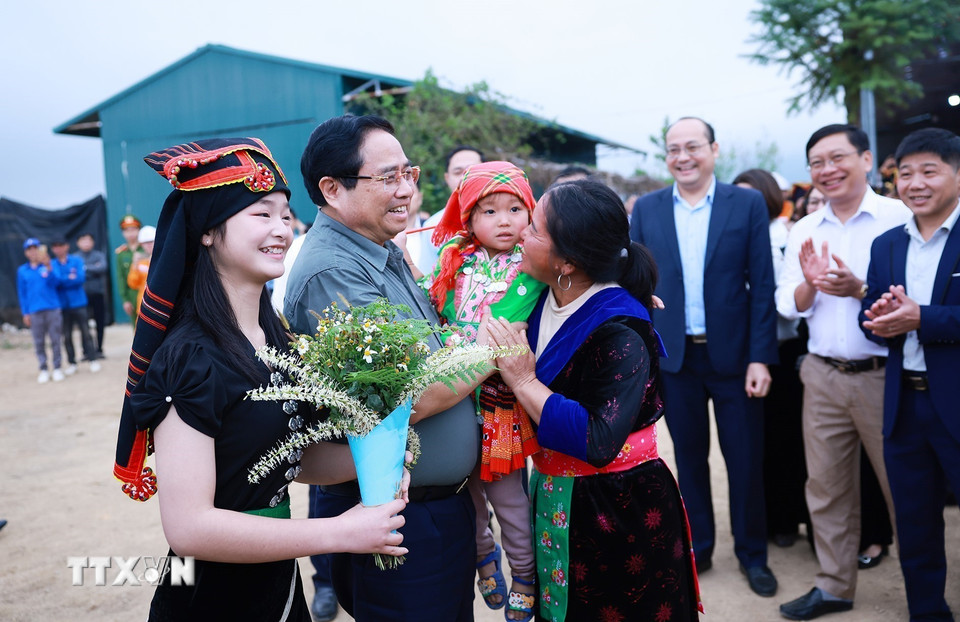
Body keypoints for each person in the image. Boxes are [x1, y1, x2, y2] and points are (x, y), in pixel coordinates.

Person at [112, 137, 409, 621]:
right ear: (207, 232)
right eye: (261, 214)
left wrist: (382, 462)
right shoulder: (190, 357)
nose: (281, 229)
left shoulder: (276, 339)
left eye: (285, 215)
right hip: (211, 600)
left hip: (277, 585)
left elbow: (289, 457)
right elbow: (188, 529)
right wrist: (339, 532)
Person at [286, 115, 493, 621]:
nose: (406, 190)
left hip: (433, 509)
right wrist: (493, 351)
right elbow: (406, 396)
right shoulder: (334, 272)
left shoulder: (379, 248)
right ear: (332, 190)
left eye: (408, 173)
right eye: (387, 177)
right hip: (398, 517)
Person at [487, 179, 702, 621]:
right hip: (553, 491)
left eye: (535, 229)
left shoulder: (620, 330)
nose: (521, 232)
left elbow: (598, 439)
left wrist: (524, 380)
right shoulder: (540, 295)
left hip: (615, 507)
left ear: (567, 261)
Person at [629, 117, 779, 597]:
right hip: (675, 360)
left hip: (735, 359)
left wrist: (760, 358)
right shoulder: (647, 208)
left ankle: (753, 555)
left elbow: (763, 285)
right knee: (689, 460)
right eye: (673, 149)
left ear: (714, 150)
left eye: (692, 146)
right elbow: (634, 284)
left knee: (745, 461)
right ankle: (700, 549)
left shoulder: (746, 203)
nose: (683, 157)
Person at [776, 124, 911, 621]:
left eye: (837, 158)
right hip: (822, 374)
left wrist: (858, 289)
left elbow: (916, 299)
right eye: (817, 162)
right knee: (826, 487)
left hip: (884, 374)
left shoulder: (900, 218)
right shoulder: (805, 228)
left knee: (903, 486)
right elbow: (787, 304)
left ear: (866, 159)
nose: (827, 170)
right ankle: (834, 586)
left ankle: (924, 592)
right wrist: (811, 285)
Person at [424, 161, 544, 620]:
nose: (504, 221)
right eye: (489, 211)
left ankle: (525, 573)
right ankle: (483, 559)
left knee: (509, 501)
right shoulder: (454, 259)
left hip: (500, 403)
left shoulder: (534, 262)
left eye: (515, 209)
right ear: (469, 217)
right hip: (454, 402)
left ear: (530, 212)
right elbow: (433, 304)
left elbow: (507, 320)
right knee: (468, 495)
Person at [860, 127, 960, 622]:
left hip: (956, 400)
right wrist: (879, 320)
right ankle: (927, 612)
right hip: (903, 404)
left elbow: (925, 316)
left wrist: (923, 317)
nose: (915, 183)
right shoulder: (886, 245)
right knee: (916, 523)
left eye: (929, 171)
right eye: (905, 173)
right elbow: (869, 315)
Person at [732, 168, 810, 549]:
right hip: (744, 354)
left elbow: (784, 302)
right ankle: (761, 521)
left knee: (785, 439)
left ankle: (786, 520)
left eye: (751, 196)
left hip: (782, 350)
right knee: (752, 445)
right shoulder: (733, 238)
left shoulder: (784, 238)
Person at [417, 146, 486, 275]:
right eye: (457, 172)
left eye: (471, 170)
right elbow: (427, 277)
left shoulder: (508, 216)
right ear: (447, 178)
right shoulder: (433, 227)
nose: (464, 177)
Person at [17, 238, 64, 383]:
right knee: (38, 341)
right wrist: (25, 312)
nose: (33, 252)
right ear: (25, 252)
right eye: (29, 249)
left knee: (55, 339)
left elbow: (57, 283)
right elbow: (22, 293)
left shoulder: (51, 264)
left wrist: (48, 266)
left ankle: (57, 368)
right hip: (34, 311)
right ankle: (43, 368)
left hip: (52, 308)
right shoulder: (22, 270)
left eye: (35, 249)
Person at [51, 238, 101, 374]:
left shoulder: (76, 260)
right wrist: (68, 278)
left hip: (79, 303)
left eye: (60, 245)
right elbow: (55, 281)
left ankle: (92, 359)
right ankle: (72, 363)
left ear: (66, 246)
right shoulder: (52, 263)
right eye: (55, 246)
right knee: (67, 335)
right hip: (62, 305)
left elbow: (80, 278)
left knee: (86, 332)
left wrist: (64, 279)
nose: (58, 249)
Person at [76, 232, 108, 356]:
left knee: (100, 322)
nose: (86, 243)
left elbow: (102, 268)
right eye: (83, 240)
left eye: (88, 240)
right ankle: (87, 351)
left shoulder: (99, 255)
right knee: (83, 324)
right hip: (81, 296)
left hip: (97, 294)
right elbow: (75, 273)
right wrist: (93, 268)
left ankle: (99, 349)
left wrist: (84, 268)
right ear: (78, 243)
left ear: (93, 242)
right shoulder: (75, 257)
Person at [115, 214, 142, 326]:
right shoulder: (121, 253)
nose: (130, 233)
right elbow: (121, 277)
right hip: (131, 294)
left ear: (139, 230)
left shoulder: (147, 248)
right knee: (135, 327)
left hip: (146, 291)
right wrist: (125, 299)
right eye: (127, 230)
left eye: (133, 229)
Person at [127, 225, 156, 321]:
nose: (148, 245)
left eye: (151, 242)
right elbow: (132, 284)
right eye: (145, 243)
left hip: (159, 304)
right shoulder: (140, 261)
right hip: (143, 305)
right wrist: (135, 265)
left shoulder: (163, 260)